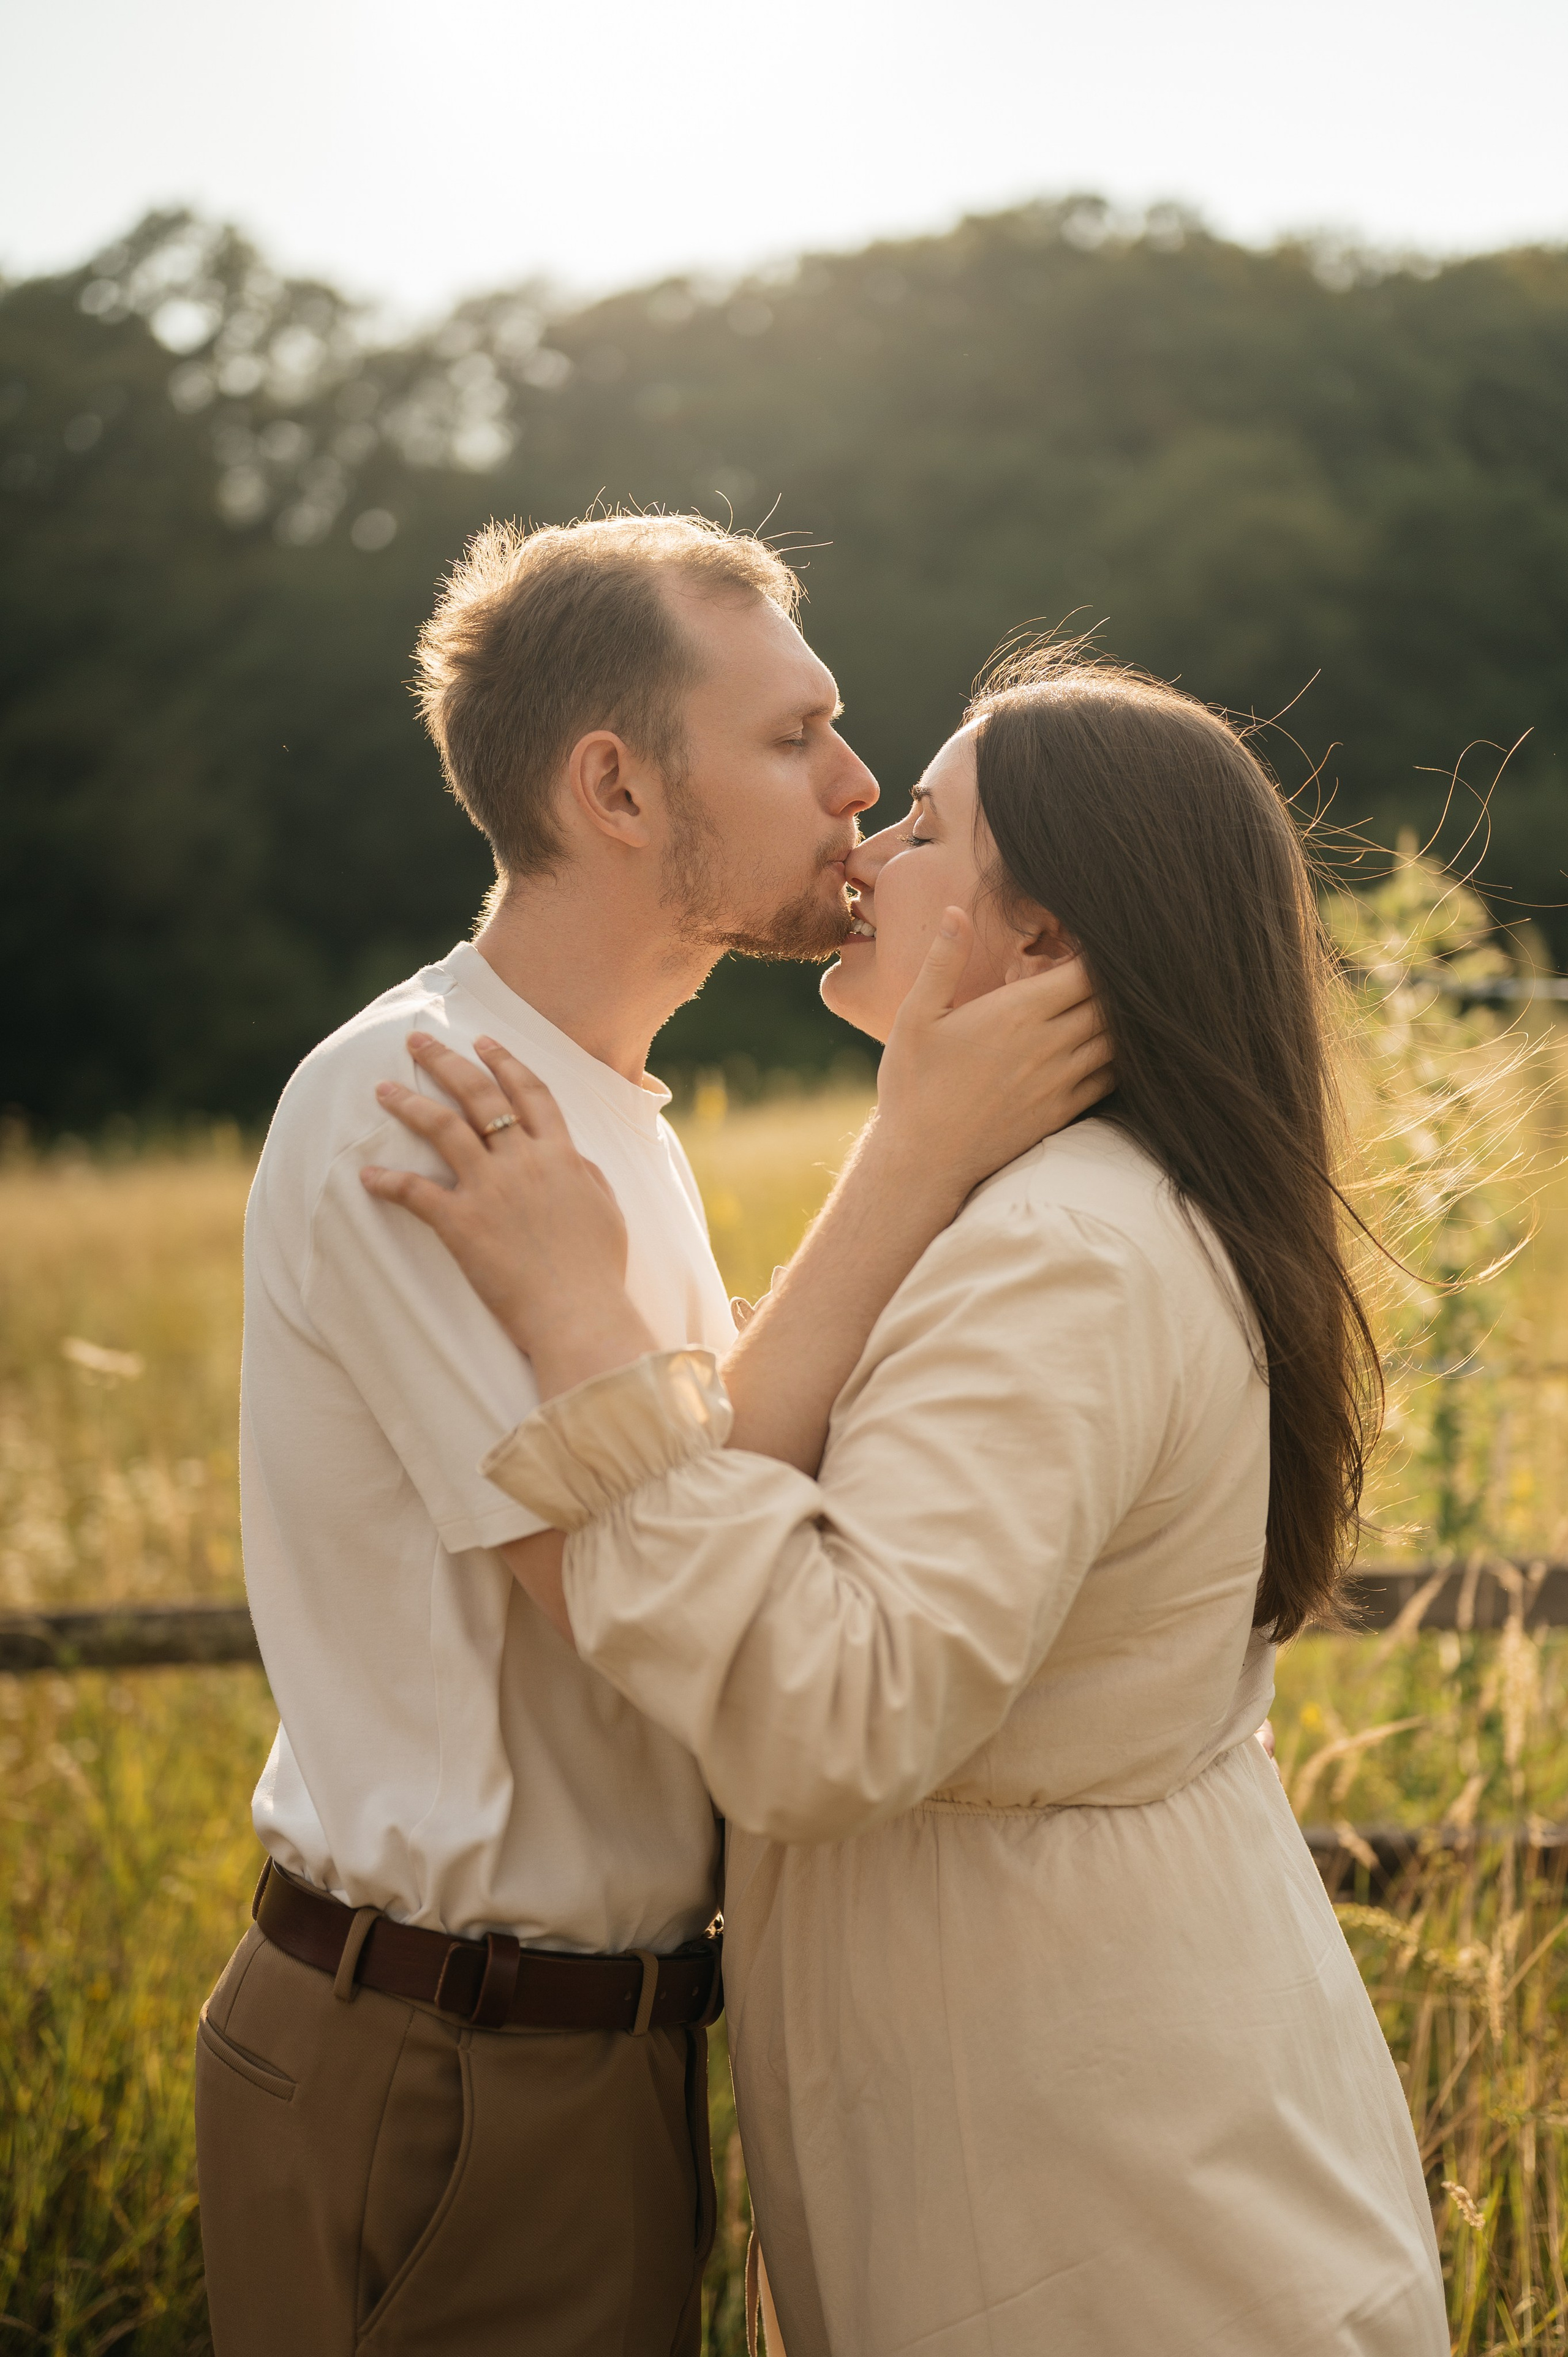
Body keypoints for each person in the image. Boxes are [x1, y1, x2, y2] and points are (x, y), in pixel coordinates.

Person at [363, 650, 1452, 2356]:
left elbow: (841, 1710)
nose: (867, 851)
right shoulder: (1063, 1211)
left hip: (1107, 2197)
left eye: (928, 828)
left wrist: (588, 1338)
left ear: (1042, 943)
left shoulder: (1066, 1251)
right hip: (1084, 2103)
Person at [194, 512, 1110, 2357]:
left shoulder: (601, 1111)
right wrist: (916, 1150)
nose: (857, 786)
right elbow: (640, 1591)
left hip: (574, 2043)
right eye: (792, 737)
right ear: (614, 787)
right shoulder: (429, 1106)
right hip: (444, 2058)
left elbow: (689, 1494)